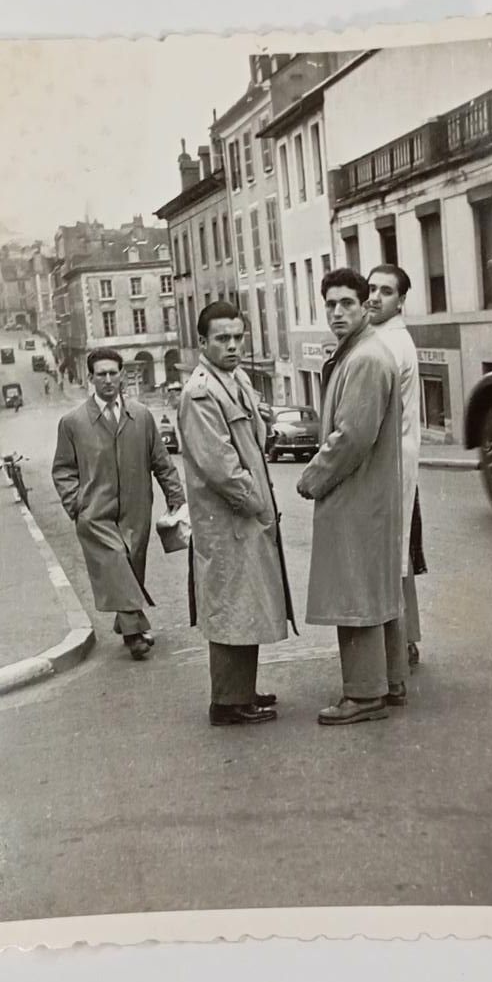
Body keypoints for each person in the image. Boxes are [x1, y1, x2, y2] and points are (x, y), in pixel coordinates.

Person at [178, 301, 296, 726]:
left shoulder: (236, 379)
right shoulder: (200, 392)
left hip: (243, 521)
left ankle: (242, 690)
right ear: (202, 342)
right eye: (222, 338)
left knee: (247, 606)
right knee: (231, 608)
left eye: (237, 337)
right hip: (229, 521)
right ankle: (227, 703)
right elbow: (220, 467)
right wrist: (256, 503)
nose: (232, 345)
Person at [297, 268, 404, 725]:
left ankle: (363, 695)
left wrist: (312, 478)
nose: (337, 312)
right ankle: (389, 681)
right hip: (370, 496)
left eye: (347, 303)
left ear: (365, 307)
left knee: (354, 590)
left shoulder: (363, 359)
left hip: (356, 495)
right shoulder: (361, 352)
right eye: (330, 304)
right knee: (374, 587)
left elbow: (352, 437)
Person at [52, 347, 185, 660]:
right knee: (115, 562)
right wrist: (77, 506)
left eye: (114, 373)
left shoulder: (140, 416)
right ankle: (135, 634)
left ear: (122, 374)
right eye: (101, 374)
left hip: (136, 510)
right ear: (91, 378)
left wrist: (176, 497)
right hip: (95, 515)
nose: (108, 380)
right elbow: (62, 470)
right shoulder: (73, 423)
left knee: (129, 569)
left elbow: (161, 462)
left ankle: (127, 622)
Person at [366, 263, 426, 681]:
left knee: (388, 557)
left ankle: (397, 650)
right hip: (401, 462)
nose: (374, 297)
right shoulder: (389, 337)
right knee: (398, 555)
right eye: (371, 289)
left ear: (401, 300)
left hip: (390, 466)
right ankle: (408, 640)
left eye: (385, 292)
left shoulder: (389, 345)